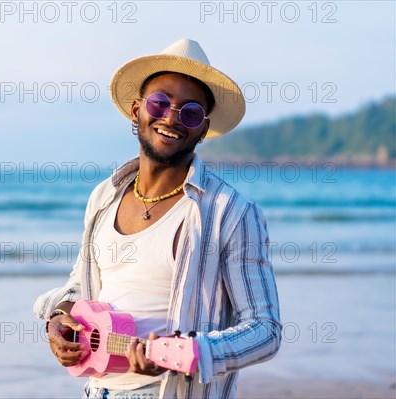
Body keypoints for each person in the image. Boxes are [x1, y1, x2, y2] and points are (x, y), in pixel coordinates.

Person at [33, 38, 281, 399]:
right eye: (160, 103)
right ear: (137, 110)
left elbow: (265, 329)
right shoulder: (104, 197)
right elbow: (81, 285)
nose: (171, 118)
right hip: (98, 389)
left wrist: (189, 353)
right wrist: (58, 318)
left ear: (202, 127)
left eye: (190, 112)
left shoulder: (231, 212)